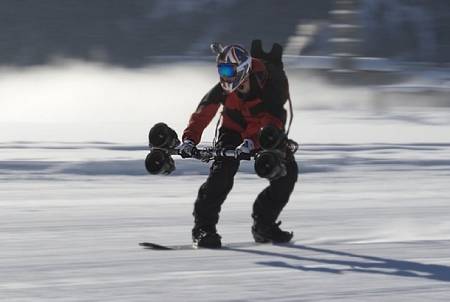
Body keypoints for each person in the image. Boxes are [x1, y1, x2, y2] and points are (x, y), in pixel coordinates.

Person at [179, 41, 298, 248]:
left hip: (265, 134)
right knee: (221, 175)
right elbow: (203, 112)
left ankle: (264, 226)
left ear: (242, 69)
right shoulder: (225, 87)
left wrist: (254, 143)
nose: (223, 75)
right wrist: (190, 139)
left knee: (286, 174)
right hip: (232, 130)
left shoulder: (271, 85)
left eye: (227, 70)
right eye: (221, 70)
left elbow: (274, 119)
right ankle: (203, 229)